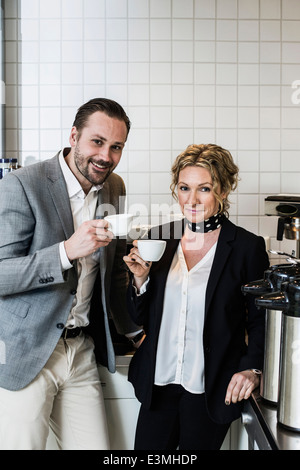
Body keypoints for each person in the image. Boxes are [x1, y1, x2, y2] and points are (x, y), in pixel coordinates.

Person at [0, 98, 142, 450]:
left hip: (80, 350)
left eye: (116, 147)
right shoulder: (22, 185)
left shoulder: (114, 188)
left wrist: (135, 331)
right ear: (74, 136)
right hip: (26, 351)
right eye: (97, 142)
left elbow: (114, 277)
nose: (106, 156)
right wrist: (65, 252)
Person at [124, 143, 269, 450]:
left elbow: (260, 319)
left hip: (209, 389)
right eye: (184, 187)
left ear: (224, 189)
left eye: (204, 188)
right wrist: (139, 280)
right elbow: (139, 315)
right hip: (158, 385)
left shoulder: (245, 247)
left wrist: (252, 368)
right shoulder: (158, 239)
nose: (191, 199)